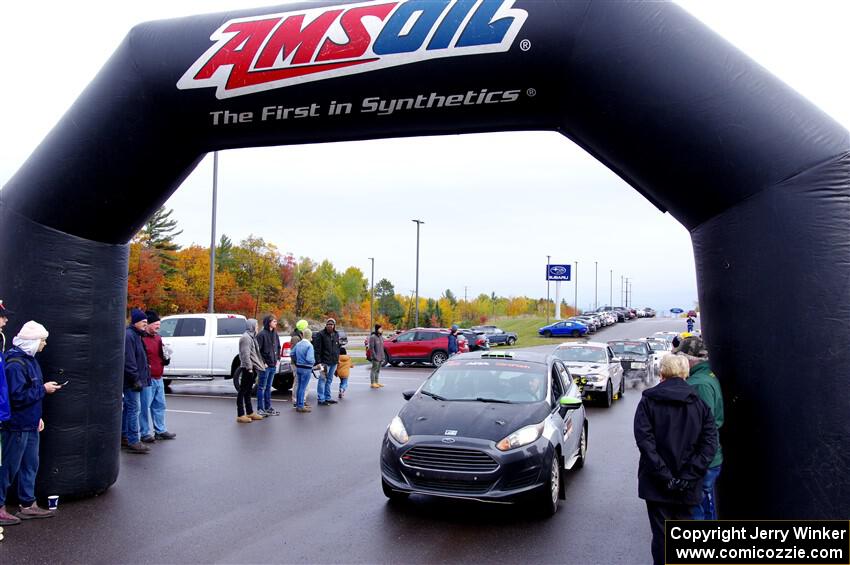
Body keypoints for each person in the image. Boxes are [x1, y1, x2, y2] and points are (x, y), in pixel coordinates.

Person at [634, 353, 717, 565]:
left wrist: (664, 476)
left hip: (656, 483)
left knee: (661, 535)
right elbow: (708, 444)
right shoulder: (699, 404)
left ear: (662, 372)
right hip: (688, 484)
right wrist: (689, 476)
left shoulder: (648, 401)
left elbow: (645, 442)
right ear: (685, 372)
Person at [0, 321, 61, 525]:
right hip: (17, 425)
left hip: (29, 423)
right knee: (9, 467)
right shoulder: (16, 365)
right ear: (33, 341)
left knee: (30, 465)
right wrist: (43, 389)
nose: (44, 344)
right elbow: (16, 397)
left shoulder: (28, 361)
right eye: (42, 340)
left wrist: (37, 417)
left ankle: (28, 504)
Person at [675, 335, 724, 520]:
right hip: (708, 459)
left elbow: (703, 426)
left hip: (702, 461)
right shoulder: (706, 376)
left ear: (691, 359)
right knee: (706, 507)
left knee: (696, 511)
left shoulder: (699, 384)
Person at [139, 311, 176, 442]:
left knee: (159, 405)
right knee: (144, 407)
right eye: (156, 324)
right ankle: (144, 433)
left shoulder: (158, 338)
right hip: (147, 379)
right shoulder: (141, 339)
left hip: (158, 377)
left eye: (159, 325)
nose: (158, 327)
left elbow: (161, 355)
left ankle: (160, 430)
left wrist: (166, 358)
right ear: (148, 324)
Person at [122, 308, 152, 454]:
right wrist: (135, 379)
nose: (146, 325)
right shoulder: (130, 336)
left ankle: (125, 436)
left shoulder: (137, 336)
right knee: (134, 409)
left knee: (129, 409)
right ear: (135, 322)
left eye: (147, 322)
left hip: (135, 380)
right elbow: (129, 361)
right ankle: (133, 440)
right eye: (143, 322)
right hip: (131, 382)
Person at [236, 319, 265, 423]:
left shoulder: (252, 337)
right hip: (247, 368)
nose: (257, 327)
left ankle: (250, 412)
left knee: (248, 391)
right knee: (243, 391)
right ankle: (240, 414)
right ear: (251, 326)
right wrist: (249, 368)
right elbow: (245, 354)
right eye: (256, 325)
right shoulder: (246, 338)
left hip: (252, 367)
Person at [256, 315, 281, 416]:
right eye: (274, 321)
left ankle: (268, 407)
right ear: (268, 322)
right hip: (264, 366)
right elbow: (257, 351)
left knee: (268, 387)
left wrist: (278, 359)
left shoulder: (275, 334)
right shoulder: (261, 335)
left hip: (273, 364)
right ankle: (260, 409)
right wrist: (263, 362)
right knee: (261, 387)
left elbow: (278, 347)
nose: (276, 323)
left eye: (276, 321)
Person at [313, 318, 340, 406]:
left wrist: (337, 359)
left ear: (334, 325)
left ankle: (327, 397)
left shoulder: (336, 334)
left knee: (329, 380)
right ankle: (321, 399)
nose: (330, 326)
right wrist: (318, 362)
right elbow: (317, 350)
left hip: (333, 361)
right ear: (326, 325)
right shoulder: (320, 334)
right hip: (324, 362)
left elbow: (337, 348)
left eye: (332, 324)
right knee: (322, 379)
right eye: (328, 324)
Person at [292, 328, 315, 413]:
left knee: (299, 387)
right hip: (306, 368)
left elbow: (292, 353)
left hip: (299, 367)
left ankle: (298, 404)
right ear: (310, 336)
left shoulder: (298, 344)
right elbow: (309, 359)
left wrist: (296, 361)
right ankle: (301, 406)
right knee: (303, 387)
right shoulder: (309, 345)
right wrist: (313, 362)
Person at [289, 320, 308, 407]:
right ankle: (296, 400)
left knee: (303, 383)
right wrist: (298, 363)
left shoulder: (300, 336)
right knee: (297, 382)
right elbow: (294, 353)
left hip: (301, 363)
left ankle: (302, 400)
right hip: (296, 364)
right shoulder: (295, 338)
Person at [367, 324, 385, 389]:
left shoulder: (380, 337)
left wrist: (383, 356)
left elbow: (382, 348)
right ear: (377, 329)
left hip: (380, 357)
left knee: (378, 370)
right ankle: (372, 383)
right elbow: (371, 348)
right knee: (374, 370)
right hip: (375, 357)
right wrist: (375, 356)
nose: (381, 330)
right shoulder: (373, 337)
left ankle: (376, 382)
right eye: (380, 328)